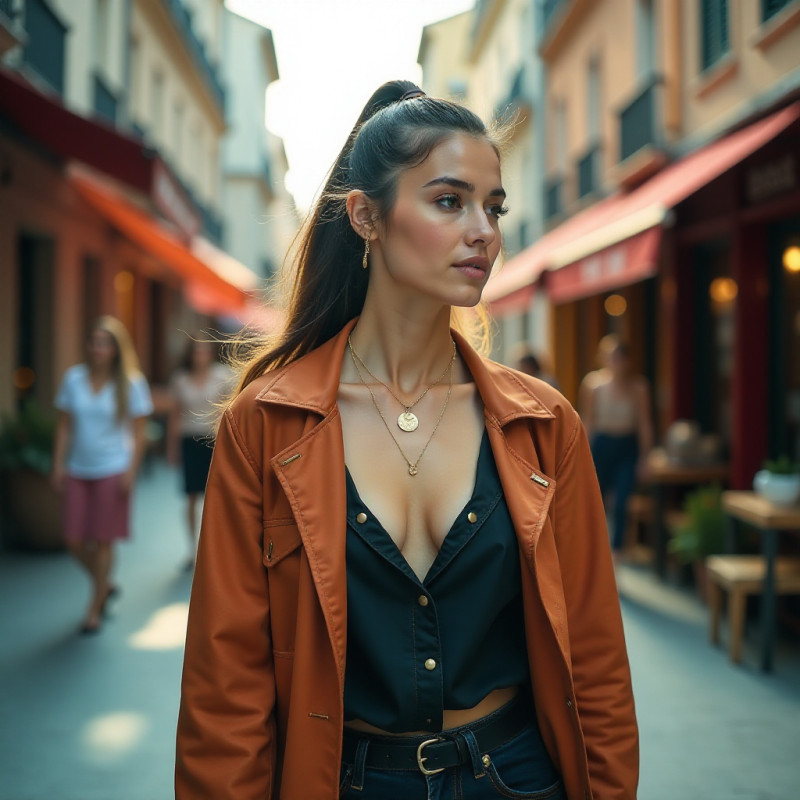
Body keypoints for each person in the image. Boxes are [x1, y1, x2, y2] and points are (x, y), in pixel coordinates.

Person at [176, 81, 638, 800]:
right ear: (366, 216)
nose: (484, 229)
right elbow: (225, 689)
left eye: (494, 206)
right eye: (450, 201)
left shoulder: (546, 427)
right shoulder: (264, 426)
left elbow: (597, 661)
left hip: (516, 777)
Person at [52, 316, 153, 633]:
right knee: (73, 539)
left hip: (112, 468)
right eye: (93, 341)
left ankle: (93, 609)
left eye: (104, 342)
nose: (97, 348)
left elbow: (140, 433)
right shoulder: (74, 379)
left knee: (104, 540)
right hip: (79, 468)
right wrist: (58, 464)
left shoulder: (131, 383)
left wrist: (130, 472)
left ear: (116, 349)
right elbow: (65, 425)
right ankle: (104, 584)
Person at [579, 335, 654, 557]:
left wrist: (644, 458)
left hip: (627, 446)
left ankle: (617, 555)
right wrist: (582, 454)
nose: (616, 362)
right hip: (602, 444)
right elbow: (588, 421)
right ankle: (594, 553)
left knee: (621, 503)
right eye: (612, 357)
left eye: (620, 357)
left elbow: (644, 423)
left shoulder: (639, 387)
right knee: (595, 502)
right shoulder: (593, 385)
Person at [167, 336, 234, 570]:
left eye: (204, 351)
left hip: (215, 442)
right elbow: (175, 414)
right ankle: (191, 550)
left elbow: (231, 410)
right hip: (189, 441)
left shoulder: (223, 376)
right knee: (191, 497)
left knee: (216, 497)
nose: (200, 356)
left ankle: (216, 549)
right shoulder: (180, 379)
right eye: (196, 351)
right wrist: (171, 447)